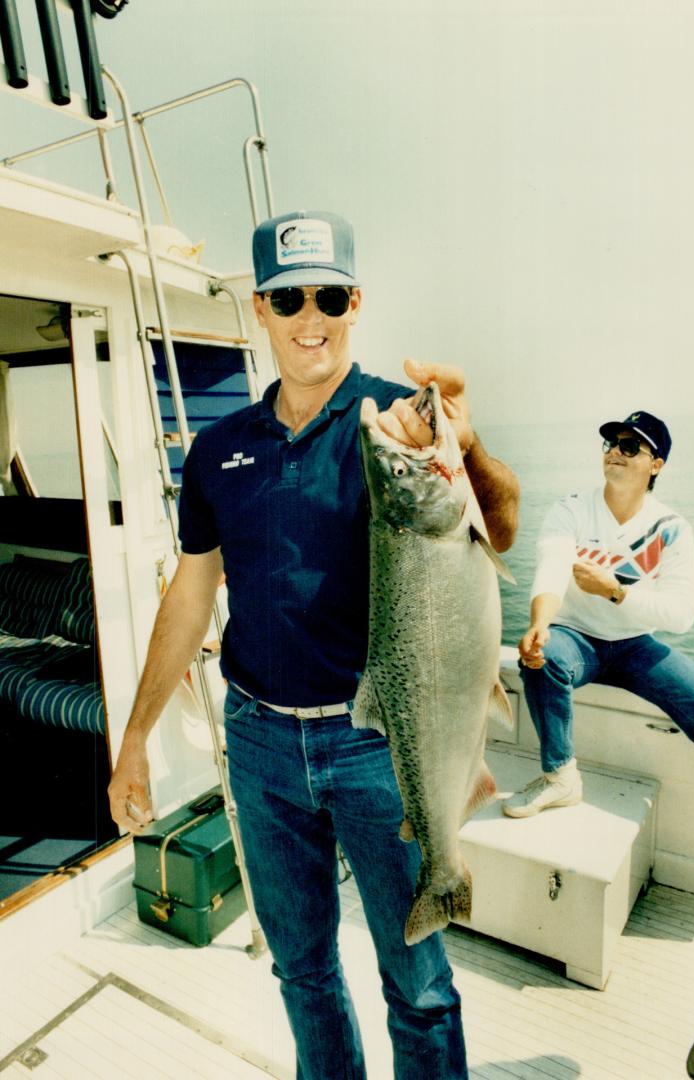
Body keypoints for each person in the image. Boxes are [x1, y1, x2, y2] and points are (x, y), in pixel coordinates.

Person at [108, 209, 520, 1080]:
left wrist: (468, 445)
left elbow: (501, 530)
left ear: (355, 302)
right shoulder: (217, 449)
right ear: (259, 308)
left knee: (418, 984)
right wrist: (137, 737)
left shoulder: (397, 422)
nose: (310, 317)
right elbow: (190, 593)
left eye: (328, 295)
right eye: (288, 297)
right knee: (302, 971)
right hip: (257, 742)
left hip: (380, 743)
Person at [503, 410, 694, 818]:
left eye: (630, 446)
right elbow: (552, 565)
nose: (615, 451)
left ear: (656, 464)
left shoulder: (671, 527)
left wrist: (615, 592)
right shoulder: (573, 508)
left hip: (636, 647)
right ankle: (560, 778)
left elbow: (682, 616)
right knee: (544, 659)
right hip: (575, 636)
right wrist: (540, 624)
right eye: (611, 443)